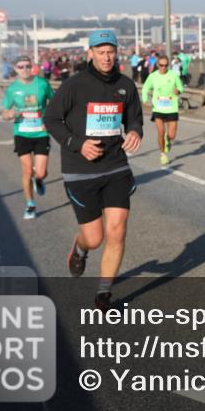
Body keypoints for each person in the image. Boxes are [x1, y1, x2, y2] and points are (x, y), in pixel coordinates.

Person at [44, 30, 142, 311]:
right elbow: (51, 119)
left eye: (110, 51)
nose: (106, 57)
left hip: (115, 166)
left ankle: (103, 295)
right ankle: (80, 248)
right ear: (90, 53)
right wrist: (78, 144)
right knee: (95, 238)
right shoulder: (74, 85)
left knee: (117, 229)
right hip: (80, 170)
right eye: (100, 52)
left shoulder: (125, 85)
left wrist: (135, 131)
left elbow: (134, 116)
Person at [2, 56, 55, 220]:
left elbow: (54, 103)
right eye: (21, 66)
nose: (24, 69)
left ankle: (39, 180)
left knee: (40, 172)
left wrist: (50, 120)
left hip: (41, 132)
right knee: (26, 170)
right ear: (15, 69)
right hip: (22, 133)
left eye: (27, 66)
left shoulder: (42, 84)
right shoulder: (12, 89)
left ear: (31, 67)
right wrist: (9, 114)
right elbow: (4, 112)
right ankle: (30, 204)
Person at [141, 54, 183, 166]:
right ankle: (163, 154)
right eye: (161, 65)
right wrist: (145, 99)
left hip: (172, 107)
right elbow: (145, 88)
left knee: (172, 135)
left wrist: (178, 91)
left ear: (168, 65)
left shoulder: (173, 75)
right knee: (161, 132)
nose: (163, 67)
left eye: (165, 65)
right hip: (158, 107)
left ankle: (168, 140)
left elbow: (181, 88)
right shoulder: (153, 76)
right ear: (157, 65)